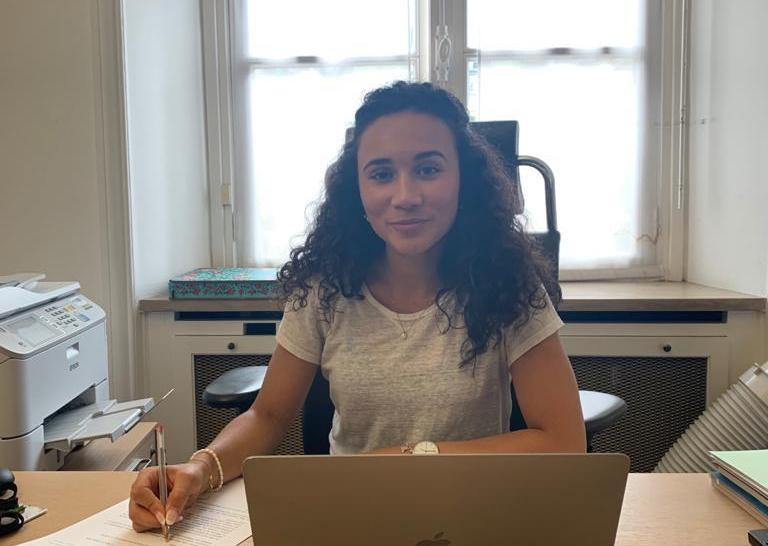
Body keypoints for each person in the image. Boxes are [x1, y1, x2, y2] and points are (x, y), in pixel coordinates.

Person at [128, 81, 585, 532]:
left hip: (475, 514)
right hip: (350, 515)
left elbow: (564, 442)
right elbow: (267, 415)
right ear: (358, 189)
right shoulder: (324, 288)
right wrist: (200, 469)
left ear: (463, 178)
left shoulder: (507, 284)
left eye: (428, 169)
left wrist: (414, 456)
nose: (405, 196)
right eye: (382, 174)